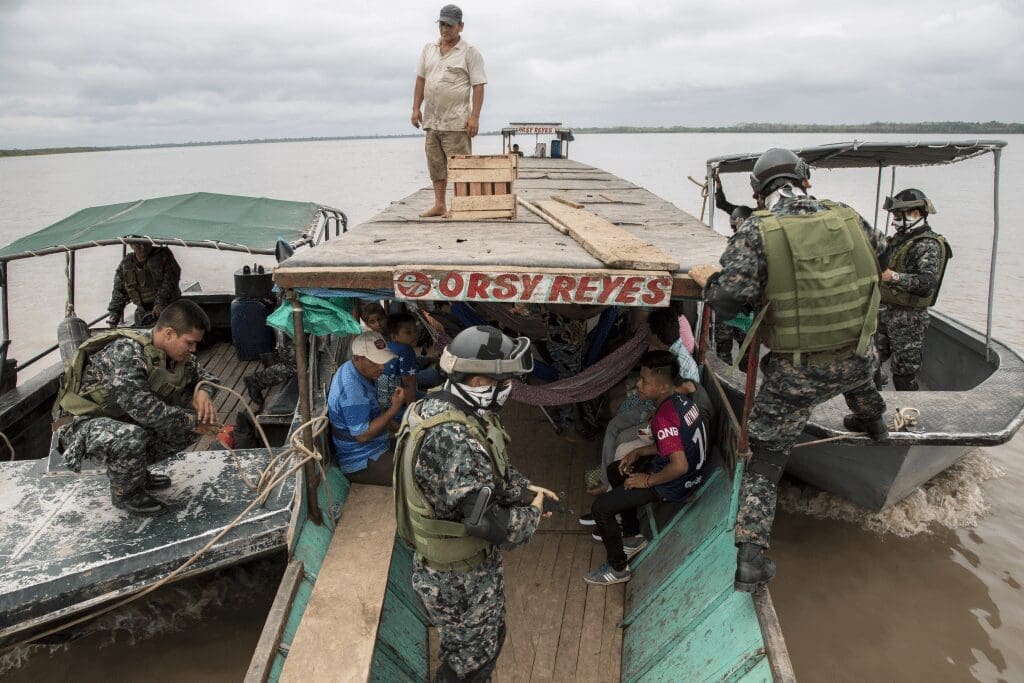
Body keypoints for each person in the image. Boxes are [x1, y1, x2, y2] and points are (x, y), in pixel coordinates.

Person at [689, 147, 889, 592]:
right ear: (806, 181)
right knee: (857, 371)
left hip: (798, 374)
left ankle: (751, 559)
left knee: (766, 457)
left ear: (758, 193)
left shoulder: (757, 230)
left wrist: (711, 282)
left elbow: (727, 301)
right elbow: (883, 258)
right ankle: (875, 423)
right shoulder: (849, 217)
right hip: (859, 356)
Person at [394, 325, 557, 681]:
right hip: (461, 582)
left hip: (452, 573)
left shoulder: (436, 407)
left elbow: (481, 474)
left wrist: (525, 489)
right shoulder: (454, 437)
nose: (509, 388)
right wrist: (532, 513)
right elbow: (486, 522)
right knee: (470, 663)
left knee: (477, 648)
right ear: (480, 382)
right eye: (505, 381)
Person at [53, 300, 220, 516]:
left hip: (117, 418)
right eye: (189, 343)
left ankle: (136, 474)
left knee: (189, 425)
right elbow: (145, 410)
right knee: (132, 436)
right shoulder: (126, 352)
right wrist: (194, 422)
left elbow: (207, 377)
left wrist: (203, 391)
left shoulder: (172, 356)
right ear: (169, 333)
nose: (193, 349)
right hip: (78, 424)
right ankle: (126, 493)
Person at [584, 350, 709, 585]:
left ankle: (618, 568)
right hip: (691, 475)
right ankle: (632, 536)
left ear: (662, 387)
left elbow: (679, 465)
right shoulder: (681, 401)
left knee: (601, 508)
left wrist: (647, 480)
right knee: (616, 471)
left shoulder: (663, 417)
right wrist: (640, 451)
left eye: (644, 381)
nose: (638, 385)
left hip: (676, 484)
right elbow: (676, 445)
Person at [411, 4, 487, 218]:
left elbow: (478, 86)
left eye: (450, 25)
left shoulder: (469, 52)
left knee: (460, 166)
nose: (445, 29)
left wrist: (474, 117)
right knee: (436, 165)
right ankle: (439, 205)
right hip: (432, 120)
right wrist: (416, 108)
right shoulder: (429, 49)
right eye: (442, 24)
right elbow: (420, 80)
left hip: (456, 121)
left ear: (460, 26)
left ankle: (461, 205)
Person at [876, 189, 951, 390]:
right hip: (884, 313)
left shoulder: (927, 245)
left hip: (909, 319)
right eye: (894, 216)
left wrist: (893, 276)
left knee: (904, 374)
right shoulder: (899, 240)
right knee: (869, 365)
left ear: (916, 214)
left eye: (898, 216)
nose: (894, 222)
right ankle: (873, 407)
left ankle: (908, 408)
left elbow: (926, 284)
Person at [327, 331, 404, 486]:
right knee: (415, 474)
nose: (382, 367)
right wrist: (394, 410)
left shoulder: (359, 371)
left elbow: (376, 411)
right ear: (357, 358)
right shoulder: (352, 391)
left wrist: (400, 430)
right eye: (374, 362)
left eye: (382, 361)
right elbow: (362, 436)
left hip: (378, 444)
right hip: (361, 460)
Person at [712, 172, 755, 366]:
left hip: (741, 306)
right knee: (728, 347)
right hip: (733, 306)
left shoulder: (757, 224)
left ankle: (742, 376)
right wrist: (718, 185)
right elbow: (722, 204)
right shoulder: (742, 220)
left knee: (742, 349)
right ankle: (736, 374)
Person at [107, 242, 182, 327]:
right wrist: (115, 313)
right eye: (138, 244)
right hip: (143, 313)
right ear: (131, 245)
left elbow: (171, 280)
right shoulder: (126, 263)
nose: (142, 247)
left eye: (146, 243)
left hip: (168, 308)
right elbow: (119, 290)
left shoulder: (163, 255)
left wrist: (160, 302)